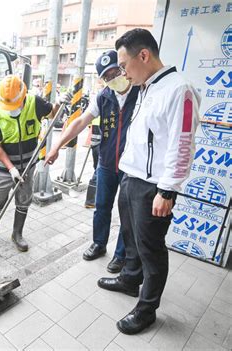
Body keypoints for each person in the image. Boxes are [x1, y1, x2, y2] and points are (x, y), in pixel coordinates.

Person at [96, 28, 200, 335]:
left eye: (125, 65)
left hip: (153, 187)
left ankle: (147, 308)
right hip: (131, 178)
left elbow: (183, 144)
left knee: (151, 248)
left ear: (144, 55)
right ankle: (130, 278)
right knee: (130, 236)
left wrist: (167, 190)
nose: (123, 73)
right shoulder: (146, 87)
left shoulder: (179, 89)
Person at [45, 50, 139, 274]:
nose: (112, 77)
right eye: (107, 76)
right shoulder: (103, 96)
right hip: (106, 162)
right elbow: (79, 122)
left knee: (127, 213)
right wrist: (57, 146)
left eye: (115, 71)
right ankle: (99, 243)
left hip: (131, 166)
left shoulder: (140, 92)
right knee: (101, 207)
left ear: (123, 68)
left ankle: (120, 255)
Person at [0, 75, 62, 253]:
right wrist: (11, 169)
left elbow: (53, 114)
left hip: (28, 164)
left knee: (23, 200)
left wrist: (59, 104)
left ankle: (17, 234)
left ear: (23, 95)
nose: (12, 109)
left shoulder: (35, 102)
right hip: (3, 168)